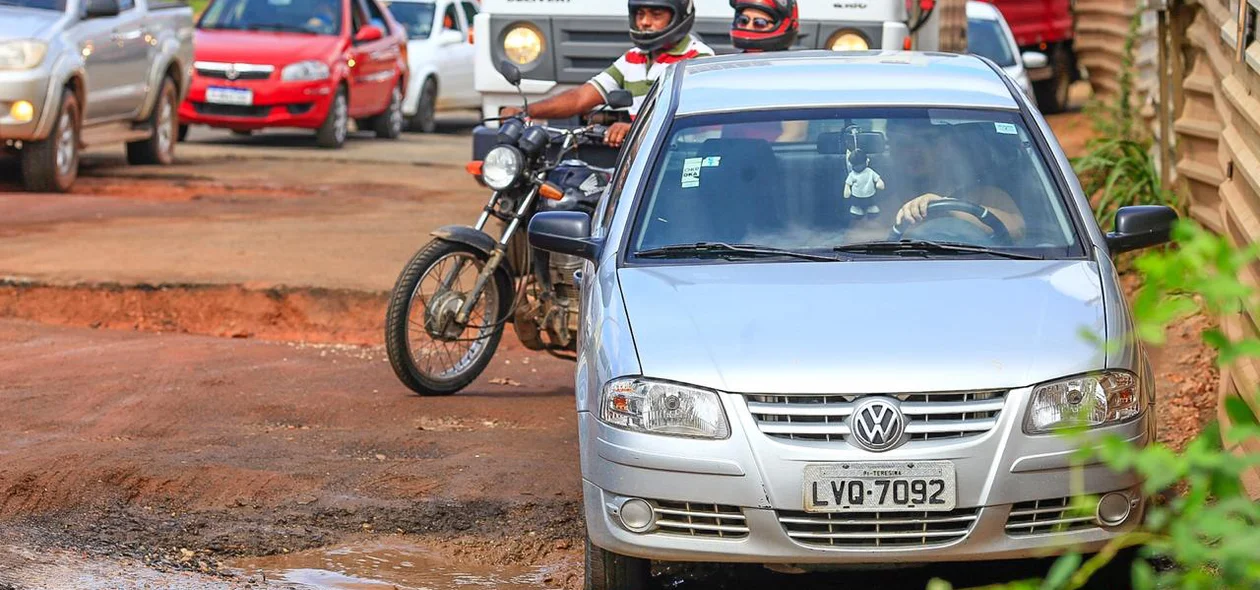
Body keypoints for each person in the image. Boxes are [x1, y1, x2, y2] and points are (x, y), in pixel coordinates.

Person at [500, 0, 714, 148]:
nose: (645, 22)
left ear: (679, 17)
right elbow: (581, 97)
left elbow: (688, 120)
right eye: (640, 14)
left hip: (683, 161)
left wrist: (633, 128)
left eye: (656, 15)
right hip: (642, 158)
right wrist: (526, 111)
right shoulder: (634, 57)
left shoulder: (697, 58)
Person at [721, 0, 808, 142]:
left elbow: (794, 135)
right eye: (743, 20)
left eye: (760, 23)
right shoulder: (729, 69)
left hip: (766, 160)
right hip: (725, 157)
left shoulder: (790, 77)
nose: (749, 27)